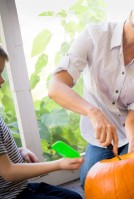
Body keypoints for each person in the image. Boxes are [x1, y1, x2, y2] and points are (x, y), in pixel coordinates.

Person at [48, 0, 134, 188]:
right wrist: (93, 112)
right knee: (90, 181)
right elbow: (56, 87)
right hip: (105, 137)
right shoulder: (94, 37)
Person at [0, 45, 84, 199]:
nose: (2, 80)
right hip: (10, 196)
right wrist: (58, 164)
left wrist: (18, 151)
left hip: (21, 188)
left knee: (75, 198)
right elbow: (8, 172)